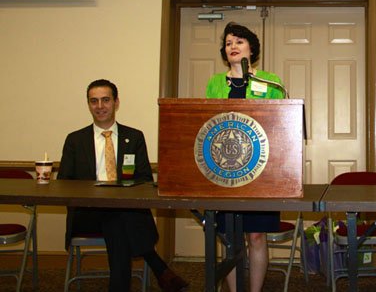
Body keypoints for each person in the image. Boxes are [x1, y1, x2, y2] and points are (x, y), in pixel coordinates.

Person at [58, 79, 189, 292]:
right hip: (87, 213)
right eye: (94, 101)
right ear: (89, 104)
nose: (100, 106)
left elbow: (146, 178)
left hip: (124, 210)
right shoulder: (75, 140)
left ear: (116, 102)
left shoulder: (134, 137)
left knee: (116, 220)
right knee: (118, 219)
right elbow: (64, 183)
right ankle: (160, 269)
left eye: (105, 100)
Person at [205, 22, 286, 292]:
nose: (233, 47)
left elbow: (279, 123)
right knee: (230, 238)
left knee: (257, 235)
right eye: (228, 43)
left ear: (252, 48)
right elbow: (205, 123)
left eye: (239, 41)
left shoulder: (269, 81)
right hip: (223, 170)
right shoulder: (215, 83)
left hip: (259, 169)